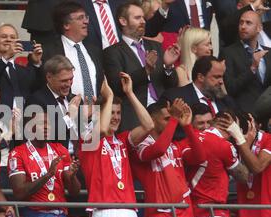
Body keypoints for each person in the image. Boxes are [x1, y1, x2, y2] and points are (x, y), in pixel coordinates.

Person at [79, 72, 154, 217]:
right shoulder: (88, 139)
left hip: (129, 210)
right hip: (103, 210)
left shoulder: (122, 140)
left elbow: (149, 126)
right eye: (111, 112)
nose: (116, 117)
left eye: (118, 113)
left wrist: (129, 93)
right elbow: (103, 129)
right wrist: (110, 96)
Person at [130, 98, 206, 217]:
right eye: (167, 118)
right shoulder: (140, 146)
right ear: (151, 119)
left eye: (173, 118)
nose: (173, 121)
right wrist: (174, 120)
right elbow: (158, 150)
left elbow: (200, 157)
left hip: (185, 216)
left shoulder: (175, 146)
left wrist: (187, 127)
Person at [8, 112, 81, 217]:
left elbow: (75, 192)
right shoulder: (17, 153)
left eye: (49, 123)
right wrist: (48, 175)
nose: (47, 127)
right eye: (42, 123)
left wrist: (72, 177)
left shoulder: (60, 150)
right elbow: (19, 192)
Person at [103, 0, 179, 131]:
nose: (143, 21)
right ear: (123, 21)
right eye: (137, 18)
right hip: (134, 117)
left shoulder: (155, 46)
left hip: (162, 114)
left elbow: (171, 84)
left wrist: (168, 66)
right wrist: (146, 71)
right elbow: (117, 86)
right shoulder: (112, 52)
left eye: (143, 17)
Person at [187, 111, 250, 217]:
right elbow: (244, 176)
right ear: (229, 125)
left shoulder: (192, 137)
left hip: (191, 215)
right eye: (237, 128)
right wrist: (241, 139)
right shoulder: (223, 145)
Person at [224, 114, 271, 217]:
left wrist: (242, 142)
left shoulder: (268, 139)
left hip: (267, 215)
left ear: (254, 125)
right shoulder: (234, 144)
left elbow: (257, 167)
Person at [42, 0, 104, 99]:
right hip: (64, 111)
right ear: (66, 25)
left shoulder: (95, 50)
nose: (86, 21)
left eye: (86, 17)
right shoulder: (49, 51)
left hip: (95, 110)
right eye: (80, 18)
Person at [0, 23, 42, 109]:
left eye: (12, 37)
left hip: (24, 119)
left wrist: (36, 62)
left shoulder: (24, 70)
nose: (8, 40)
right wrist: (6, 57)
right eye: (4, 36)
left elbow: (39, 87)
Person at [27, 55, 81, 154]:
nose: (69, 84)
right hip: (54, 159)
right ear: (49, 77)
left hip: (78, 158)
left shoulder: (73, 99)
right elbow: (44, 135)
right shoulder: (37, 100)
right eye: (64, 80)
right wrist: (69, 117)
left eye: (71, 79)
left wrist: (90, 117)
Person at [220, 10, 271, 115]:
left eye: (248, 23)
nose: (243, 26)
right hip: (245, 113)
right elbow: (230, 88)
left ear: (259, 28)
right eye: (241, 22)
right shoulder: (228, 53)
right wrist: (252, 68)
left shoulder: (268, 52)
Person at [162, 56, 237, 118]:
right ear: (200, 77)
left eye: (222, 77)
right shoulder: (175, 98)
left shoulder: (227, 102)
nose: (221, 82)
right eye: (217, 77)